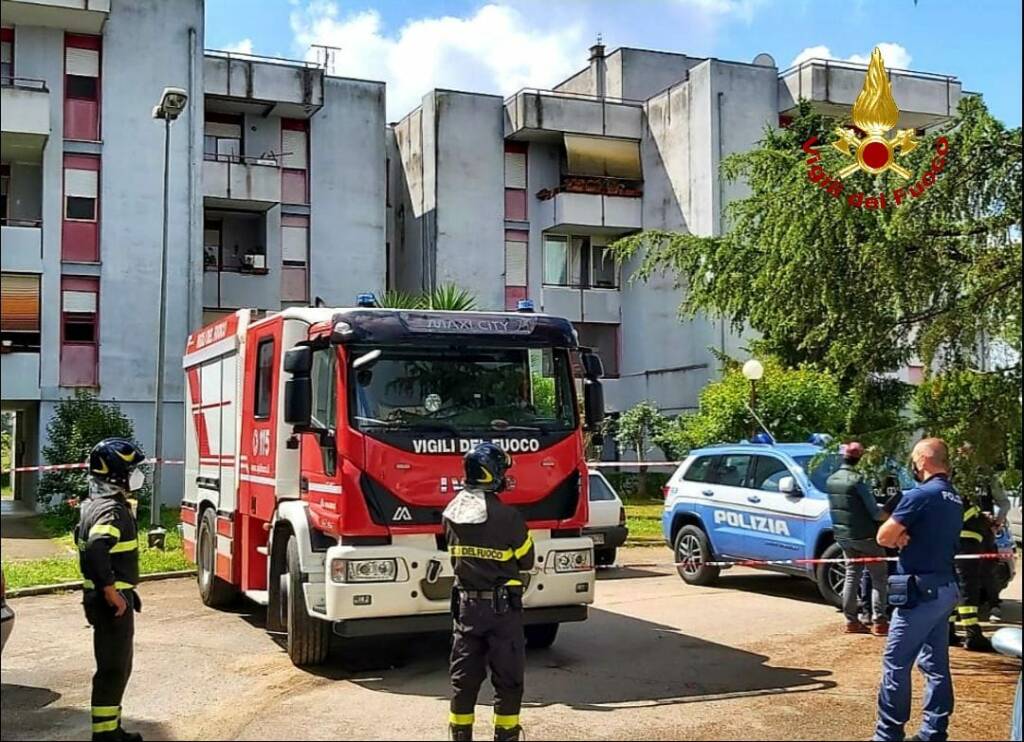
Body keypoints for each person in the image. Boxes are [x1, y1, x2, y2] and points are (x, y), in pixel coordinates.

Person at [444, 442, 535, 742]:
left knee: (464, 680)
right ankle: (506, 736)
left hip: (466, 610)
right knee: (508, 680)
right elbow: (527, 559)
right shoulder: (507, 517)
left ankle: (460, 735)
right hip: (501, 613)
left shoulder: (451, 514)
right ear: (492, 474)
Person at [874, 438, 963, 742]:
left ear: (923, 460)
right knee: (935, 665)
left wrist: (898, 537)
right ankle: (933, 732)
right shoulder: (953, 497)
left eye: (914, 459)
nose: (912, 465)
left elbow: (884, 536)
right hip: (944, 588)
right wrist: (904, 535)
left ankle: (888, 735)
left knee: (896, 664)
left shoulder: (920, 495)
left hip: (921, 593)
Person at [76, 438, 147, 742]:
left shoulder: (95, 505)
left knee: (116, 667)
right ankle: (105, 736)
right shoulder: (111, 511)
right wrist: (111, 591)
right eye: (131, 469)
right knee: (113, 670)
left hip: (106, 601)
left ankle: (111, 731)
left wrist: (121, 586)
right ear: (115, 474)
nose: (137, 475)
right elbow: (96, 548)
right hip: (110, 606)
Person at [826, 441, 890, 635]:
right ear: (859, 459)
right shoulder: (857, 481)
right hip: (866, 537)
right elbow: (876, 514)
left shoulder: (831, 480)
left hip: (844, 536)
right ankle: (880, 621)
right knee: (879, 577)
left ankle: (851, 621)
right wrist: (891, 513)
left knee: (852, 575)